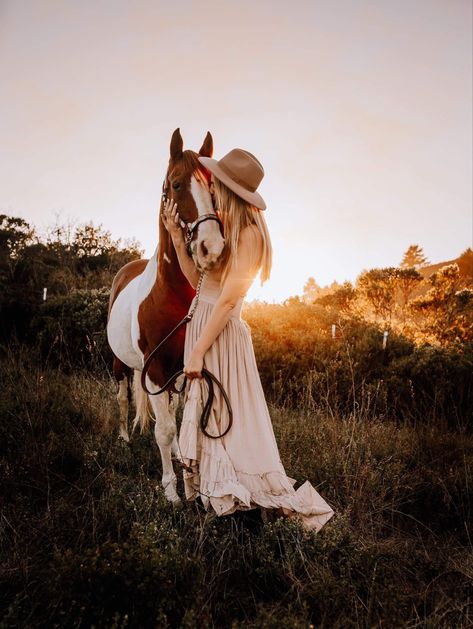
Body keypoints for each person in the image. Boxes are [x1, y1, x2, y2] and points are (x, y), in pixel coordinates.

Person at [161, 147, 335, 533]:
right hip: (205, 328)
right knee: (213, 417)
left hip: (220, 337)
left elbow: (226, 303)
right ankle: (220, 504)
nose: (212, 189)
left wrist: (199, 351)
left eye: (217, 184)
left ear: (231, 190)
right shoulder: (225, 229)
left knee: (230, 421)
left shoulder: (252, 236)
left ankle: (243, 515)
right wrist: (176, 237)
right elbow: (199, 283)